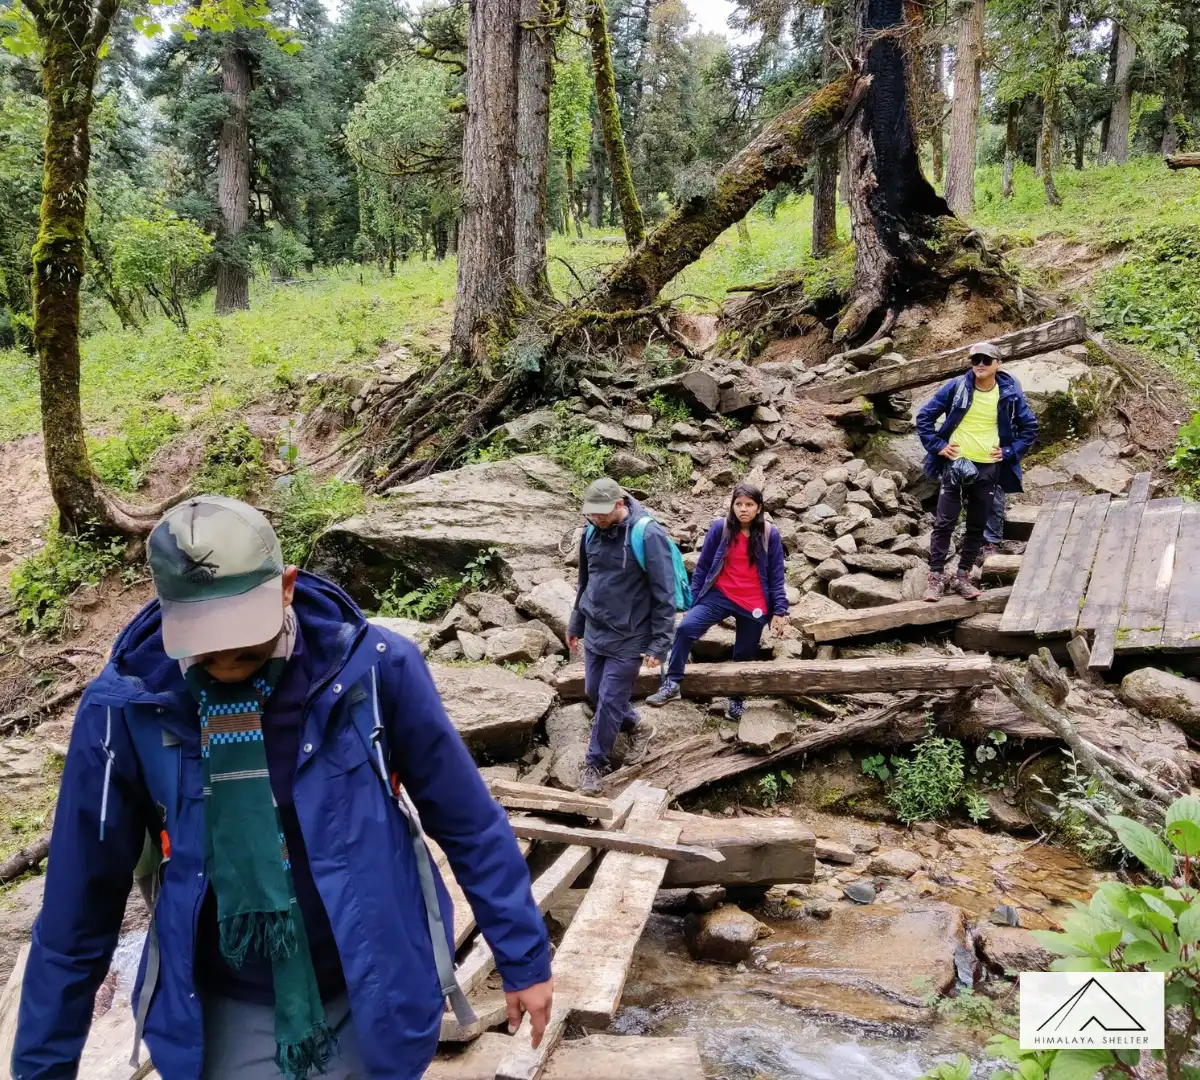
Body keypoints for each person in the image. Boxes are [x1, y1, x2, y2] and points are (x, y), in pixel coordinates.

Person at [13, 496, 553, 1080]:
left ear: (287, 586)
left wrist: (523, 956)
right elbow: (79, 902)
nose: (223, 663)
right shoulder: (128, 710)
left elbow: (466, 820)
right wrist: (44, 1065)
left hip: (373, 984)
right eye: (203, 641)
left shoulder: (372, 670)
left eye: (244, 639)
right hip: (226, 1006)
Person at [567, 478, 675, 796]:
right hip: (598, 629)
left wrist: (660, 644)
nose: (596, 518)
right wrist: (576, 625)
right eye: (591, 513)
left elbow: (664, 594)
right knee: (593, 691)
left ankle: (594, 766)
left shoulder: (647, 534)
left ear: (619, 504)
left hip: (631, 634)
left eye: (601, 513)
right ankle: (639, 727)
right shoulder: (589, 533)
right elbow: (585, 582)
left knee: (610, 699)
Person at [647, 483, 788, 721]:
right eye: (739, 504)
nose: (743, 509)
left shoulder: (768, 534)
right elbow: (702, 567)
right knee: (686, 628)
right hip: (720, 594)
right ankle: (672, 683)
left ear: (759, 508)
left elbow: (777, 575)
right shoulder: (719, 529)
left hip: (754, 601)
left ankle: (736, 700)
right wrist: (692, 602)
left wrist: (780, 611)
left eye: (749, 505)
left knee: (744, 654)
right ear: (732, 506)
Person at [916, 341, 1038, 602]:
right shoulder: (956, 387)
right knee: (944, 522)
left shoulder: (1009, 394)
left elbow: (1030, 428)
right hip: (956, 463)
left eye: (986, 359)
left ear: (998, 363)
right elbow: (924, 416)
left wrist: (1008, 453)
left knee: (977, 525)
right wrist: (938, 446)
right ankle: (935, 577)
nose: (980, 364)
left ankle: (963, 576)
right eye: (975, 360)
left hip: (988, 466)